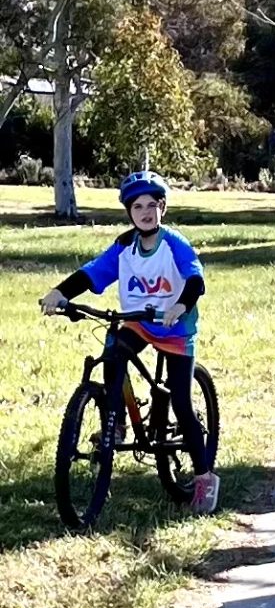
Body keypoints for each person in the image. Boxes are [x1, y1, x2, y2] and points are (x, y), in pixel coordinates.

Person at [39, 170, 218, 514]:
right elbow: (94, 272)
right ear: (129, 211)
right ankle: (116, 420)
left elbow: (195, 278)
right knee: (112, 353)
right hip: (138, 324)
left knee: (180, 401)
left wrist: (181, 305)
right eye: (138, 206)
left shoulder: (173, 244)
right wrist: (60, 292)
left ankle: (203, 476)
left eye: (153, 205)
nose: (146, 212)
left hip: (176, 329)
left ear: (162, 208)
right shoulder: (124, 246)